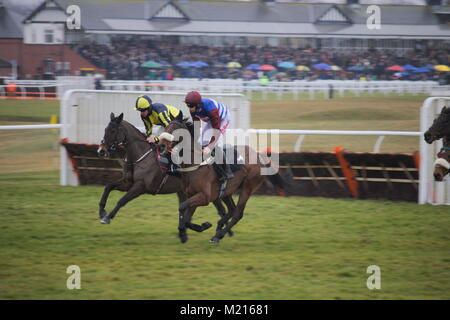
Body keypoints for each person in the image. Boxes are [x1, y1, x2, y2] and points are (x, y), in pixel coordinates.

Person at [184, 91, 234, 181]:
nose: (189, 109)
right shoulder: (193, 108)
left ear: (198, 105)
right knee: (203, 142)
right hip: (211, 120)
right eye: (188, 106)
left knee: (215, 144)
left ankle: (227, 170)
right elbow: (197, 126)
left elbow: (216, 130)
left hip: (223, 119)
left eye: (191, 106)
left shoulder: (210, 108)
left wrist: (210, 146)